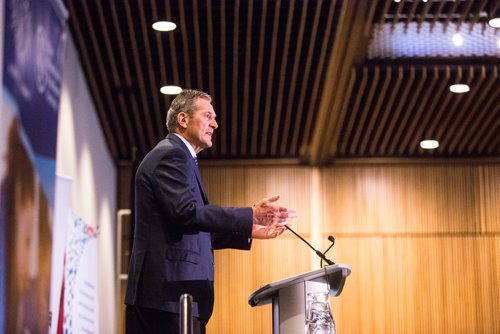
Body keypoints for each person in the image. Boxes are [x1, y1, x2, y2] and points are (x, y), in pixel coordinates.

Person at [125, 89, 296, 333]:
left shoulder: (182, 157)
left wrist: (250, 228)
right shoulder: (171, 154)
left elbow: (190, 228)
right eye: (208, 116)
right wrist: (251, 213)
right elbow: (186, 213)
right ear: (183, 120)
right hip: (167, 297)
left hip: (177, 298)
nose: (215, 124)